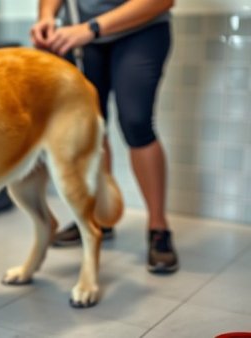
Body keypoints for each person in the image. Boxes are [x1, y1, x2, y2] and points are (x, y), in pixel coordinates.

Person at [30, 0, 178, 274]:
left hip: (140, 30)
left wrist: (93, 27)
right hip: (82, 36)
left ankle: (158, 227)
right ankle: (100, 218)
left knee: (136, 123)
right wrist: (47, 16)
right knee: (91, 128)